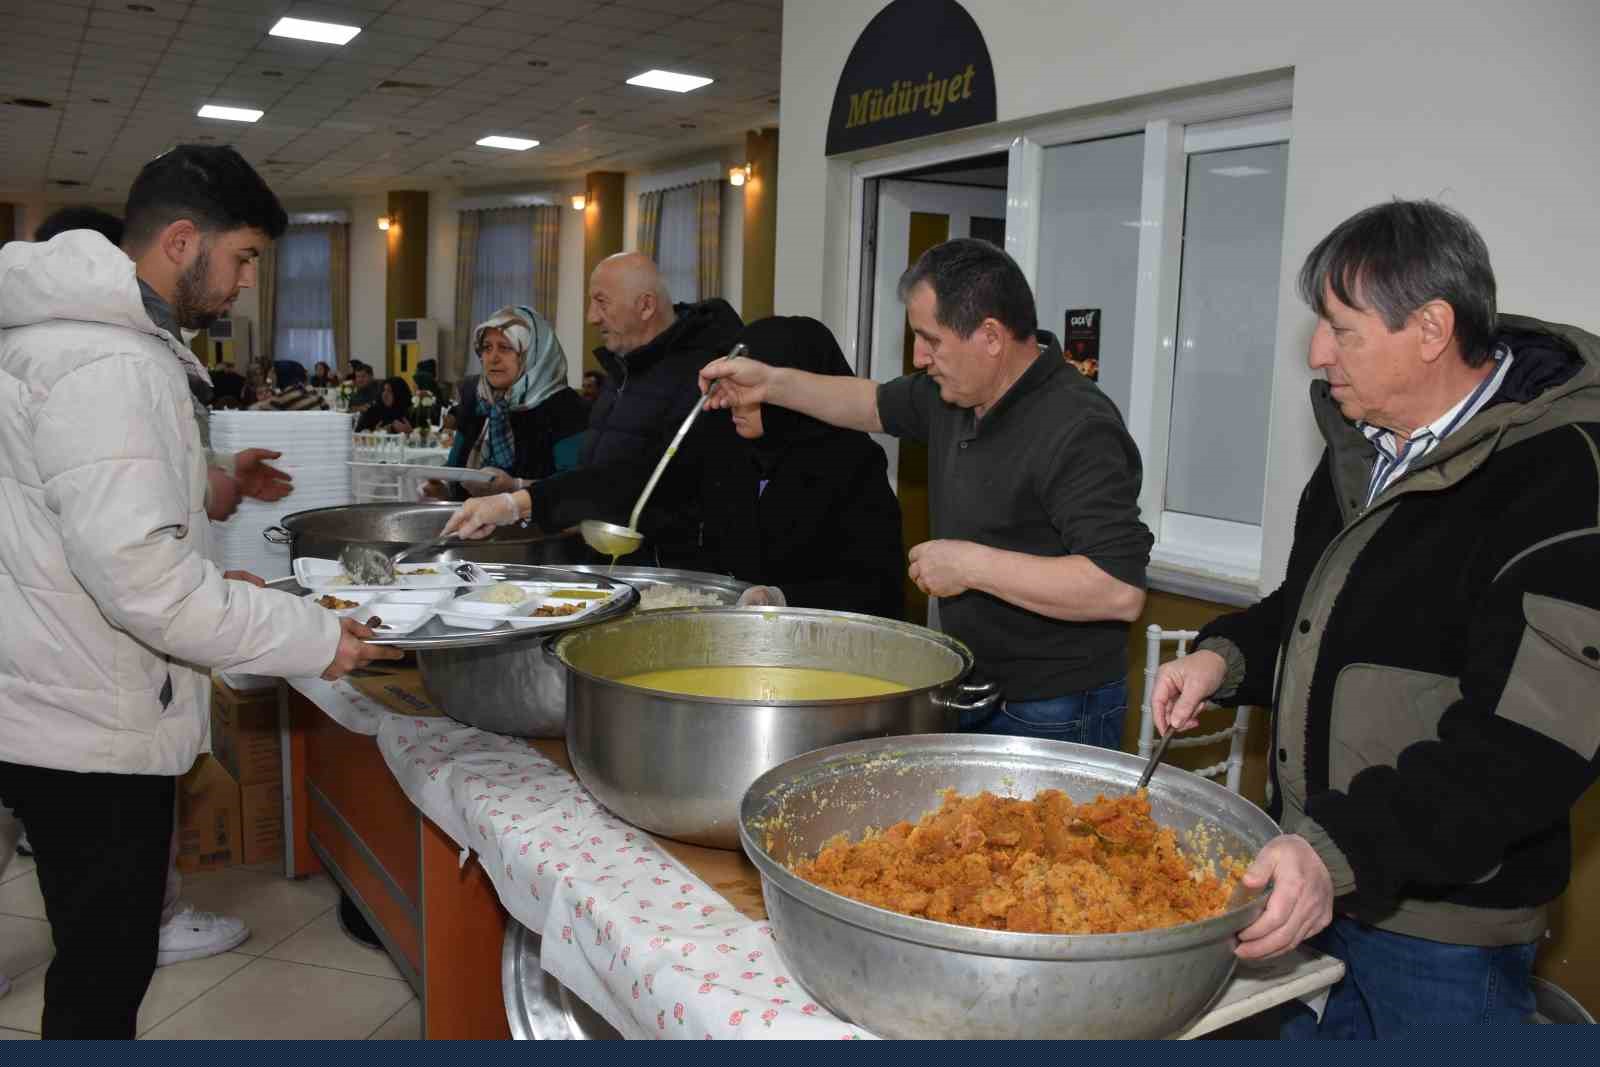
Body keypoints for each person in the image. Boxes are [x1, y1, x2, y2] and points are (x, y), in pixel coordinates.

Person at [1151, 199, 1600, 1037]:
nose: (1317, 353)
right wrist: (1224, 659)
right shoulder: (1364, 448)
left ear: (1430, 329)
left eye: (1341, 329)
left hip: (1443, 933)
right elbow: (1310, 612)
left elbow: (1525, 748)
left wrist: (1337, 852)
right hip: (1323, 883)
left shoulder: (1565, 478)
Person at [0, 144, 402, 1039]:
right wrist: (315, 637)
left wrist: (215, 579)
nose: (248, 283)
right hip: (90, 720)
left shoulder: (54, 337)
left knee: (94, 959)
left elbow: (88, 538)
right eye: (244, 257)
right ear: (182, 241)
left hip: (47, 683)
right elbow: (143, 582)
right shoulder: (110, 362)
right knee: (104, 974)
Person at [699, 239, 1152, 745]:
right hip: (973, 681)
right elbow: (868, 403)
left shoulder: (1078, 426)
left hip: (1056, 705)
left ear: (991, 336)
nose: (919, 357)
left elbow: (1117, 589)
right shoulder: (954, 396)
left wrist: (971, 566)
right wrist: (768, 383)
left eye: (930, 339)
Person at [444, 254, 743, 565]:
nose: (591, 317)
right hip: (608, 558)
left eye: (601, 302)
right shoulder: (626, 368)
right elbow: (594, 468)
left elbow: (639, 478)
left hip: (668, 565)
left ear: (646, 306)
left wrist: (518, 500)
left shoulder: (700, 376)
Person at [697, 316, 904, 617]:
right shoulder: (730, 451)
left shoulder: (853, 465)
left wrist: (781, 598)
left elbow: (876, 590)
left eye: (748, 390)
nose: (733, 403)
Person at [425, 305, 588, 502]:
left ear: (531, 354)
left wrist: (515, 486)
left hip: (537, 521)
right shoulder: (477, 401)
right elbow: (455, 469)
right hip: (472, 517)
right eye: (487, 348)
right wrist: (443, 490)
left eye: (505, 348)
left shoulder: (563, 406)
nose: (493, 358)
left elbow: (575, 488)